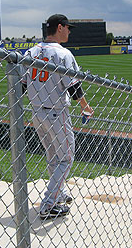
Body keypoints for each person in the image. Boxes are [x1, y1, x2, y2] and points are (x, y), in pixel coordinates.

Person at [22, 14, 93, 220]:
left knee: (54, 156)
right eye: (68, 28)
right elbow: (74, 87)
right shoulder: (63, 54)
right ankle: (48, 204)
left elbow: (23, 85)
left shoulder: (31, 51)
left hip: (36, 112)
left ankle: (58, 192)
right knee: (67, 157)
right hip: (56, 112)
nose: (69, 31)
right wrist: (85, 107)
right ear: (59, 27)